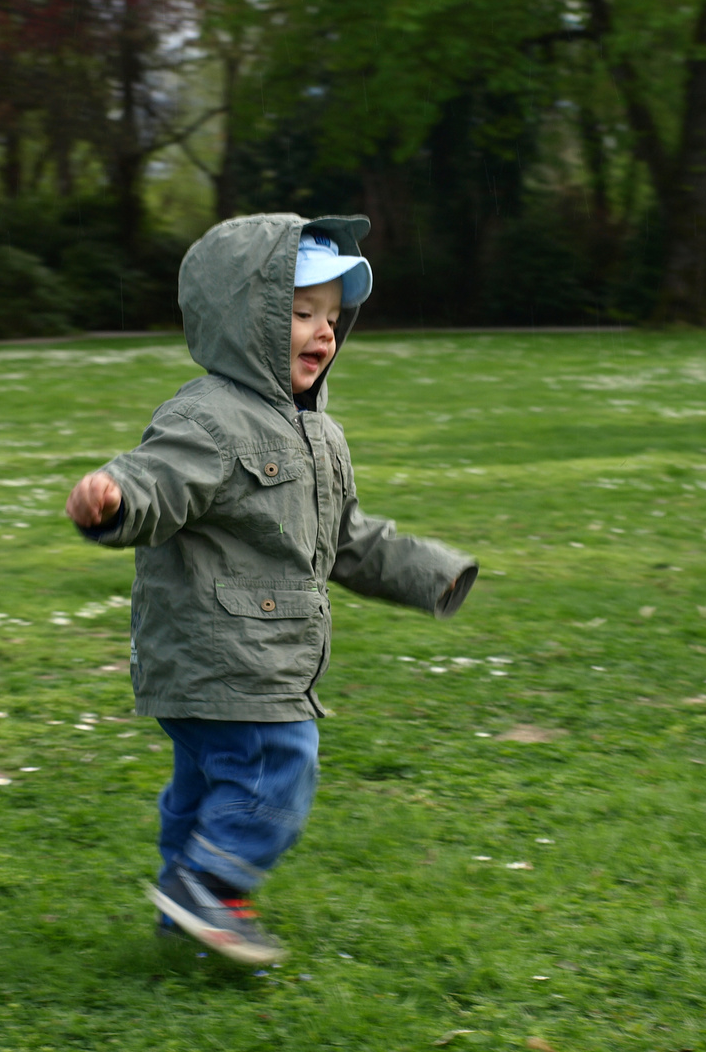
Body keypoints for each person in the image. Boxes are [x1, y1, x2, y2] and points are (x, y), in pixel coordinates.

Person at [64, 214, 478, 963]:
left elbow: (345, 539)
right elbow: (156, 481)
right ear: (241, 317)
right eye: (298, 313)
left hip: (244, 659)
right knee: (277, 767)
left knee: (204, 789)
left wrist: (432, 571)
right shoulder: (209, 419)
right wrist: (114, 500)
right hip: (227, 653)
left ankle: (184, 913)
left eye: (330, 316)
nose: (322, 332)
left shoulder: (321, 434)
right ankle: (211, 889)